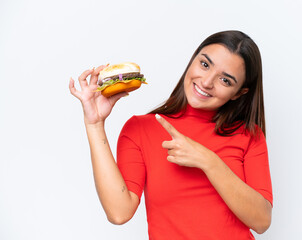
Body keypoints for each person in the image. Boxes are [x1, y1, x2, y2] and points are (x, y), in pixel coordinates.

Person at [69, 30, 273, 240]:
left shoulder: (249, 136)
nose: (206, 82)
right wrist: (95, 125)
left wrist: (209, 161)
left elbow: (261, 221)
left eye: (225, 80)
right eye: (204, 64)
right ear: (193, 60)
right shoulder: (140, 129)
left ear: (239, 93)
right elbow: (119, 213)